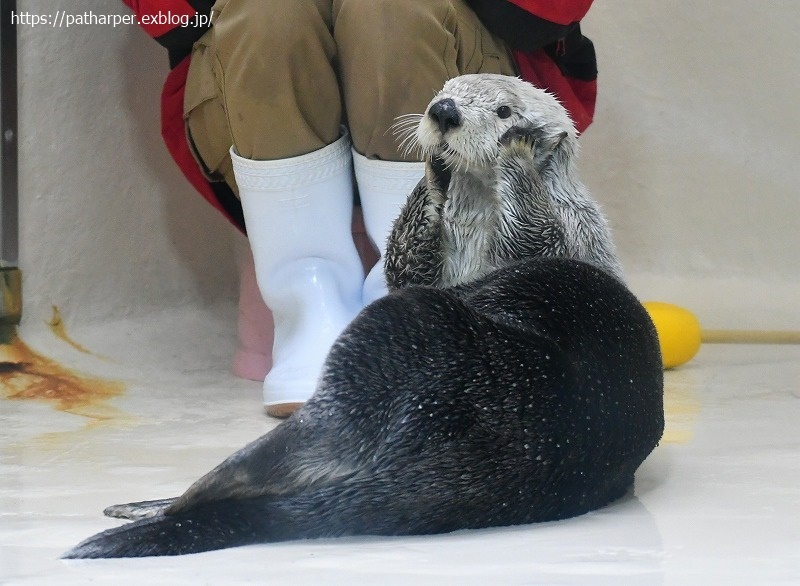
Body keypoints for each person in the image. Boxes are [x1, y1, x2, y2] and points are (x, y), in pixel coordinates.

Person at [121, 0, 598, 417]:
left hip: (456, 66)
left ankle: (413, 311)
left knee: (392, 8)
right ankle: (310, 313)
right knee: (269, 12)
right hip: (246, 94)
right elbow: (169, 16)